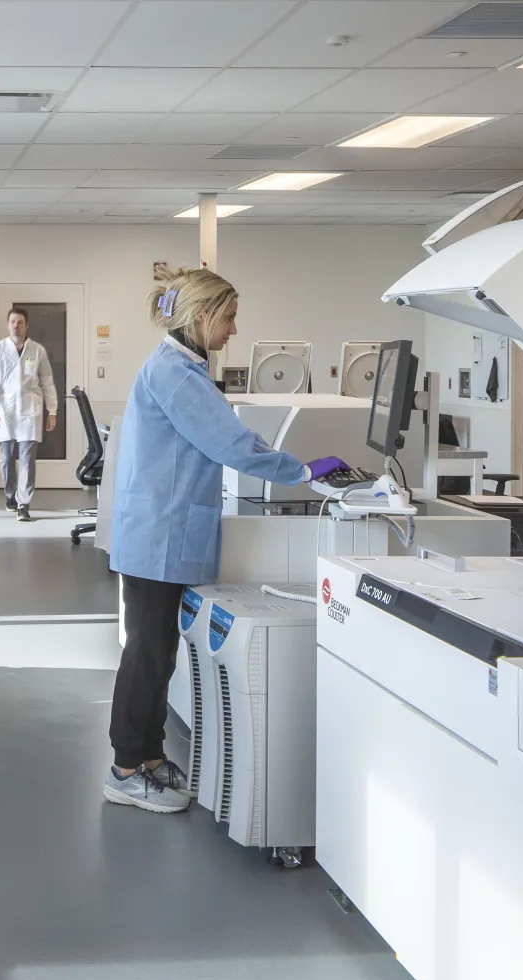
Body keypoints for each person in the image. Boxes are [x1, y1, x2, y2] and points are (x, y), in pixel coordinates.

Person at [104, 266, 346, 814]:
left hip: (162, 529)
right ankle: (125, 769)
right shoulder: (175, 373)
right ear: (201, 316)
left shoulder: (181, 367)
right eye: (229, 318)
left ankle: (148, 756)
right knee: (147, 655)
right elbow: (230, 443)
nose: (234, 329)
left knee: (159, 653)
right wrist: (302, 471)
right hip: (158, 534)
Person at [0, 308, 58, 522]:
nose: (16, 326)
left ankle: (23, 504)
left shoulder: (37, 350)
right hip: (4, 410)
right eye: (13, 322)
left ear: (26, 326)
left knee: (27, 460)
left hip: (29, 411)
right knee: (6, 459)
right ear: (7, 325)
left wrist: (52, 411)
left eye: (20, 322)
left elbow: (47, 382)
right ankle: (10, 494)